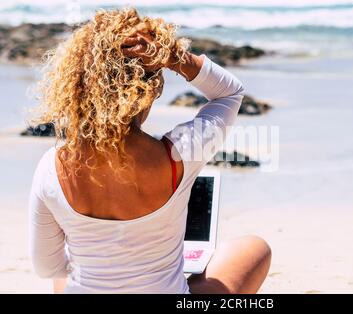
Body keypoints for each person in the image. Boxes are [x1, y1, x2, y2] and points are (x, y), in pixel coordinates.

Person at [29, 8, 271, 294]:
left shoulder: (51, 167)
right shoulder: (181, 154)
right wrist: (175, 58)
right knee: (254, 248)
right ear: (150, 89)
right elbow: (230, 93)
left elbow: (47, 267)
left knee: (64, 276)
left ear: (78, 85)